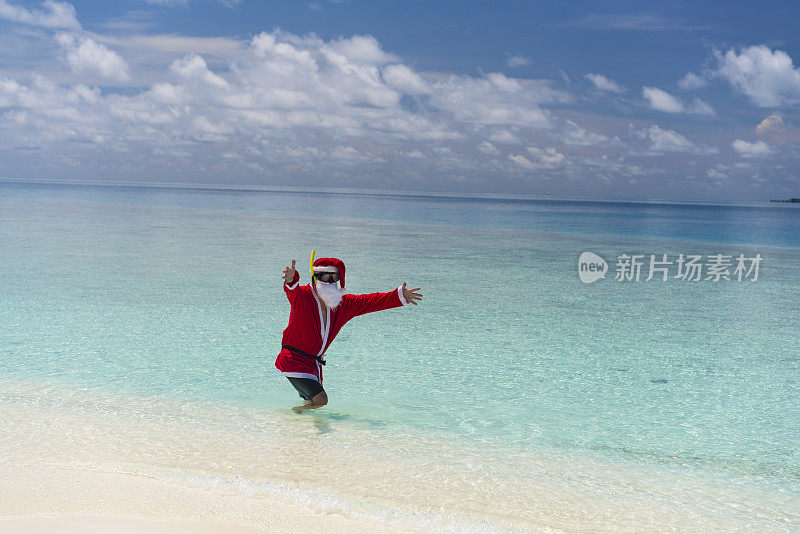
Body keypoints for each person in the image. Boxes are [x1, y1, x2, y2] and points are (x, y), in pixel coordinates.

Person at [276, 253, 422, 410]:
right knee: (321, 400)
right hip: (293, 359)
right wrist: (291, 279)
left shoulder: (342, 305)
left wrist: (400, 296)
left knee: (310, 403)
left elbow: (370, 301)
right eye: (326, 277)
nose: (331, 282)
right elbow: (292, 290)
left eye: (335, 277)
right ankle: (290, 415)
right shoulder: (303, 296)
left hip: (312, 365)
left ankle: (294, 426)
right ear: (316, 276)